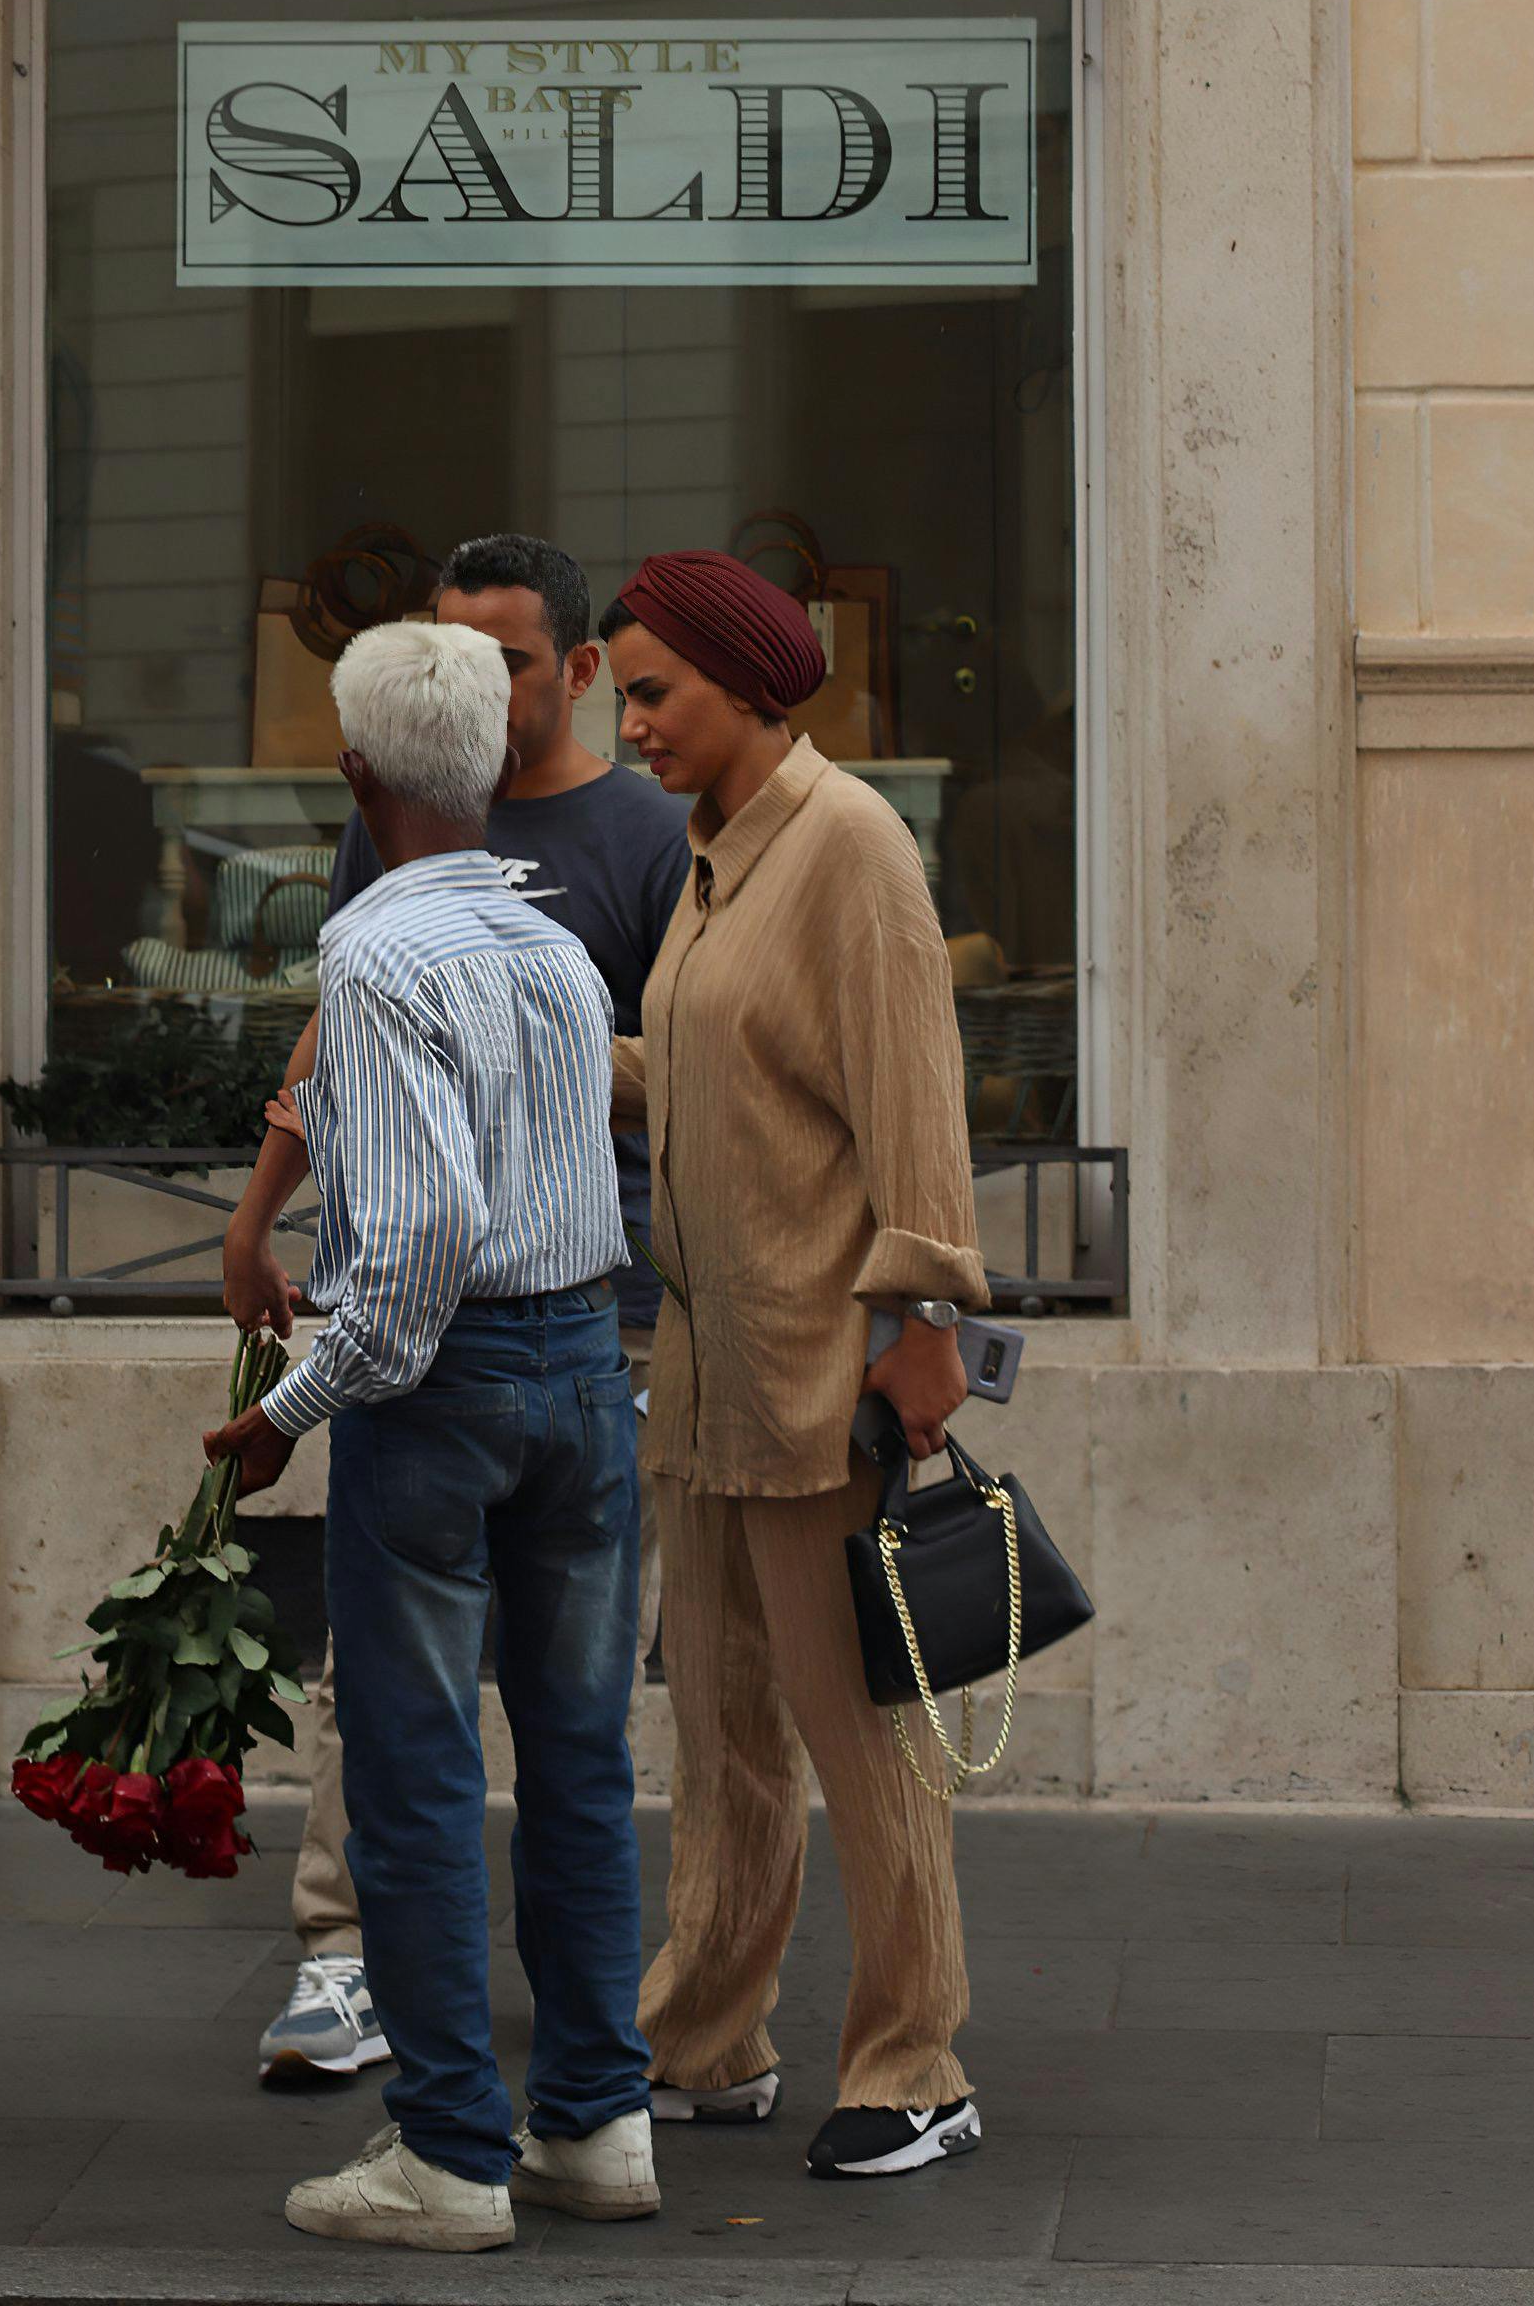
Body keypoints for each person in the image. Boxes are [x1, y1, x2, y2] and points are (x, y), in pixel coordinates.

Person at [204, 619, 659, 2255]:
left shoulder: (377, 962)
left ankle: (453, 2151)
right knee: (579, 1761)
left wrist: (279, 1416)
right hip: (581, 1369)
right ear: (488, 766)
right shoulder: (554, 952)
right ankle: (597, 2123)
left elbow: (403, 1263)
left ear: (351, 776)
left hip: (443, 1388)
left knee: (409, 1771)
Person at [602, 550, 991, 2187]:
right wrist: (536, 1032)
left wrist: (922, 1324)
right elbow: (702, 1086)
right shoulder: (707, 862)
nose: (628, 725)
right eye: (620, 693)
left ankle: (913, 2062)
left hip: (820, 1362)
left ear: (747, 684)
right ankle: (702, 2034)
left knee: (859, 1733)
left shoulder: (846, 847)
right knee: (720, 1730)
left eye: (651, 691)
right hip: (699, 1371)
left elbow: (912, 1095)